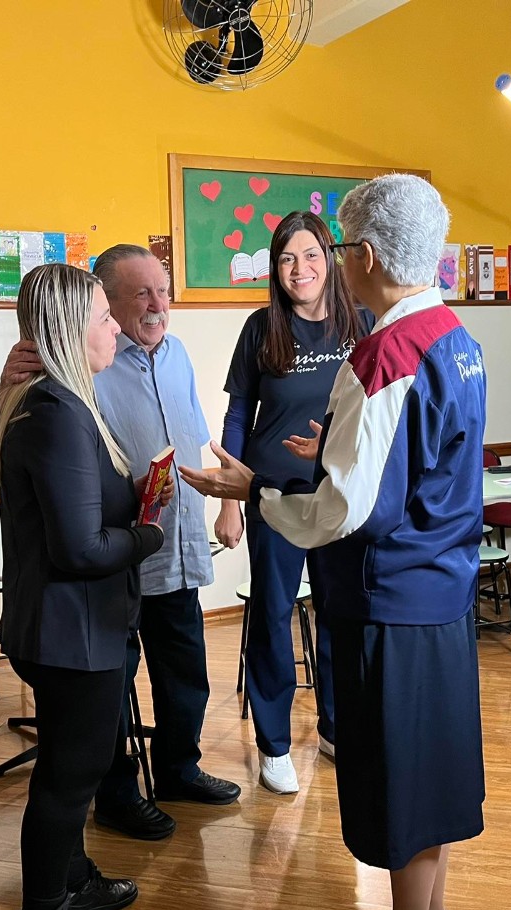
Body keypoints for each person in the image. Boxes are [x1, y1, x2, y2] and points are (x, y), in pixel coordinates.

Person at [181, 173, 484, 910]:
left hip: (391, 597)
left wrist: (258, 491)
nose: (336, 263)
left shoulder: (384, 353)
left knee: (401, 777)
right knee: (430, 766)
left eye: (341, 249)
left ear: (367, 256)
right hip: (443, 589)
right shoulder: (453, 335)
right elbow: (422, 458)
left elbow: (345, 511)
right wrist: (341, 449)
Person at [1, 244, 241, 842]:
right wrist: (7, 384)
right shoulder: (77, 367)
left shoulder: (178, 354)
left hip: (172, 548)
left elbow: (200, 440)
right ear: (103, 303)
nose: (159, 305)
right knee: (108, 693)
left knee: (185, 676)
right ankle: (116, 795)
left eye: (164, 290)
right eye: (140, 295)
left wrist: (229, 502)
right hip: (113, 562)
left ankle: (179, 770)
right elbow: (37, 451)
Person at [0, 263, 176, 910]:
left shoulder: (57, 402)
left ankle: (71, 880)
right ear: (74, 329)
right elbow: (80, 548)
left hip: (72, 628)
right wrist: (148, 534)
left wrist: (139, 491)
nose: (116, 330)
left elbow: (81, 509)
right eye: (104, 317)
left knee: (74, 765)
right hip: (71, 633)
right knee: (69, 777)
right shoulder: (58, 412)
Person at [215, 210, 373, 794]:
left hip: (338, 495)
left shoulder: (362, 322)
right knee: (272, 615)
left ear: (329, 259)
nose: (298, 269)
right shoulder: (261, 328)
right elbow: (239, 414)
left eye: (309, 255)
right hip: (273, 496)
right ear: (274, 270)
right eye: (286, 259)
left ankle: (335, 726)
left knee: (340, 612)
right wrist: (230, 501)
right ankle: (274, 745)